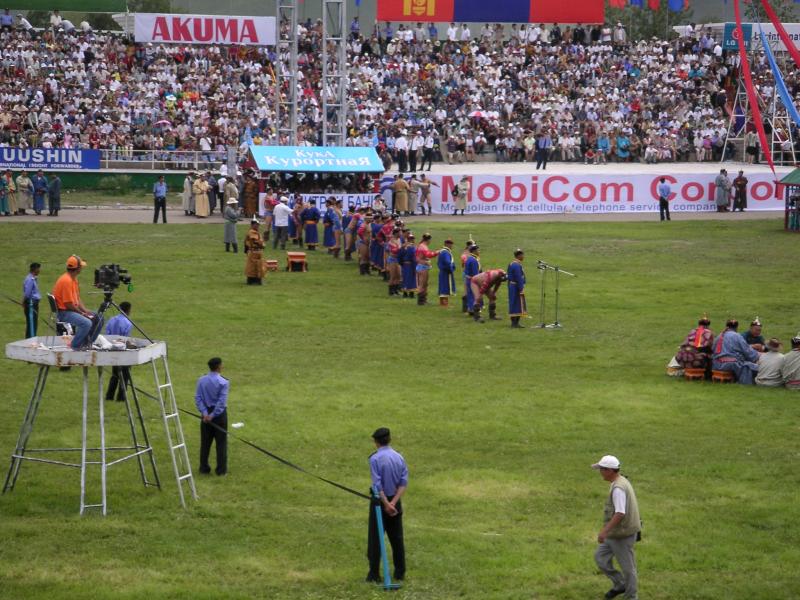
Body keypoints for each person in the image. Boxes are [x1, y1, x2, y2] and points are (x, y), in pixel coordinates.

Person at [592, 455, 641, 600]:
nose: (600, 472)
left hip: (621, 535)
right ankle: (620, 584)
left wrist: (604, 532)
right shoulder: (620, 481)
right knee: (600, 558)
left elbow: (620, 513)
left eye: (601, 469)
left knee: (628, 568)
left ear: (609, 471)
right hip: (615, 534)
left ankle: (631, 596)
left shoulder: (618, 488)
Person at [366, 427, 408, 584]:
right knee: (397, 538)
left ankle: (374, 574)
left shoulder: (375, 459)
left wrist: (385, 503)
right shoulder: (399, 457)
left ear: (376, 442)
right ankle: (400, 572)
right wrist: (393, 502)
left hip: (380, 503)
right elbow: (403, 482)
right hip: (395, 502)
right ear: (389, 439)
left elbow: (377, 485)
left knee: (375, 539)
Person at [52, 255, 104, 350]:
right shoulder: (66, 281)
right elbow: (68, 304)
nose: (82, 268)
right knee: (86, 323)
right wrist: (81, 313)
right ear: (78, 268)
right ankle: (75, 346)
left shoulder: (73, 279)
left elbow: (77, 298)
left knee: (99, 317)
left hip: (70, 310)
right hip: (64, 312)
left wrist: (85, 310)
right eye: (81, 266)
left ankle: (87, 343)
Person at [194, 357, 229, 476]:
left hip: (205, 414)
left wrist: (205, 413)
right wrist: (213, 415)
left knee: (205, 442)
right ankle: (221, 470)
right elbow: (221, 402)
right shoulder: (223, 382)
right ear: (219, 367)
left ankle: (203, 469)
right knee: (221, 443)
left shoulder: (201, 380)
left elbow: (198, 398)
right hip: (219, 416)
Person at [712, 319, 760, 384]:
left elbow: (713, 349)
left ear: (727, 326)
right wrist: (758, 355)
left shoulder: (719, 335)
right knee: (750, 366)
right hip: (731, 364)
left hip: (716, 364)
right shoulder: (737, 336)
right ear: (737, 327)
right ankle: (745, 383)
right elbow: (748, 351)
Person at [105, 302, 133, 402]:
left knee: (115, 374)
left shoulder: (111, 320)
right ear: (128, 310)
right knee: (125, 376)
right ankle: (121, 398)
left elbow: (107, 334)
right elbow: (125, 339)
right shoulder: (128, 322)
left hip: (112, 349)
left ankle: (109, 396)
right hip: (122, 351)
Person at [415, 233, 439, 306]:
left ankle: (424, 300)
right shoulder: (423, 247)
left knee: (425, 284)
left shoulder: (421, 245)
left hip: (421, 266)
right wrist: (437, 252)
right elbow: (429, 255)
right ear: (428, 239)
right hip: (423, 267)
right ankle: (421, 301)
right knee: (422, 284)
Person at [244, 218, 267, 285]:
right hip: (254, 251)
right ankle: (254, 281)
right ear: (252, 225)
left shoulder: (254, 231)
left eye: (258, 225)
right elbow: (255, 241)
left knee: (257, 266)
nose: (257, 226)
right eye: (256, 225)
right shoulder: (252, 232)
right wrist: (262, 245)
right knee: (253, 267)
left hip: (255, 252)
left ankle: (255, 280)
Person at [507, 249, 527, 328]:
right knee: (518, 304)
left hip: (512, 286)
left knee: (514, 303)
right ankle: (515, 323)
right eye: (522, 255)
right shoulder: (516, 265)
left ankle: (514, 322)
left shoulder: (512, 264)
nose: (523, 256)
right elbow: (518, 278)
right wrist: (521, 288)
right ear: (518, 256)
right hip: (516, 287)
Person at [23, 262, 41, 338]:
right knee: (32, 324)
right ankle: (30, 340)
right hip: (31, 304)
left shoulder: (33, 278)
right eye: (39, 269)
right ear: (35, 269)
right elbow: (27, 294)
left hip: (32, 304)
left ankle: (31, 339)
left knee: (33, 323)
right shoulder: (30, 279)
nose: (40, 270)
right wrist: (24, 302)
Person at [437, 238, 456, 306]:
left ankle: (442, 302)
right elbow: (447, 262)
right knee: (445, 286)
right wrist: (451, 269)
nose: (451, 245)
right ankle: (444, 303)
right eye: (450, 244)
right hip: (446, 272)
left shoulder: (443, 251)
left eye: (451, 244)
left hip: (443, 271)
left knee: (443, 286)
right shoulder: (445, 252)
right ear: (446, 244)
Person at [463, 243, 481, 314]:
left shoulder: (469, 258)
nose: (479, 251)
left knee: (470, 294)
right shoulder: (473, 260)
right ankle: (474, 309)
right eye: (478, 250)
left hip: (468, 279)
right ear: (474, 251)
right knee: (474, 294)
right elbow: (475, 273)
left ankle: (470, 308)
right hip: (473, 280)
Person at [400, 234, 417, 299]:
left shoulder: (403, 247)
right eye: (413, 239)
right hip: (410, 265)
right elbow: (413, 258)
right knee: (411, 279)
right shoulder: (412, 247)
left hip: (404, 265)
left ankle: (404, 293)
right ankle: (411, 293)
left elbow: (399, 256)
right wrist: (415, 266)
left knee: (404, 278)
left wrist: (401, 263)